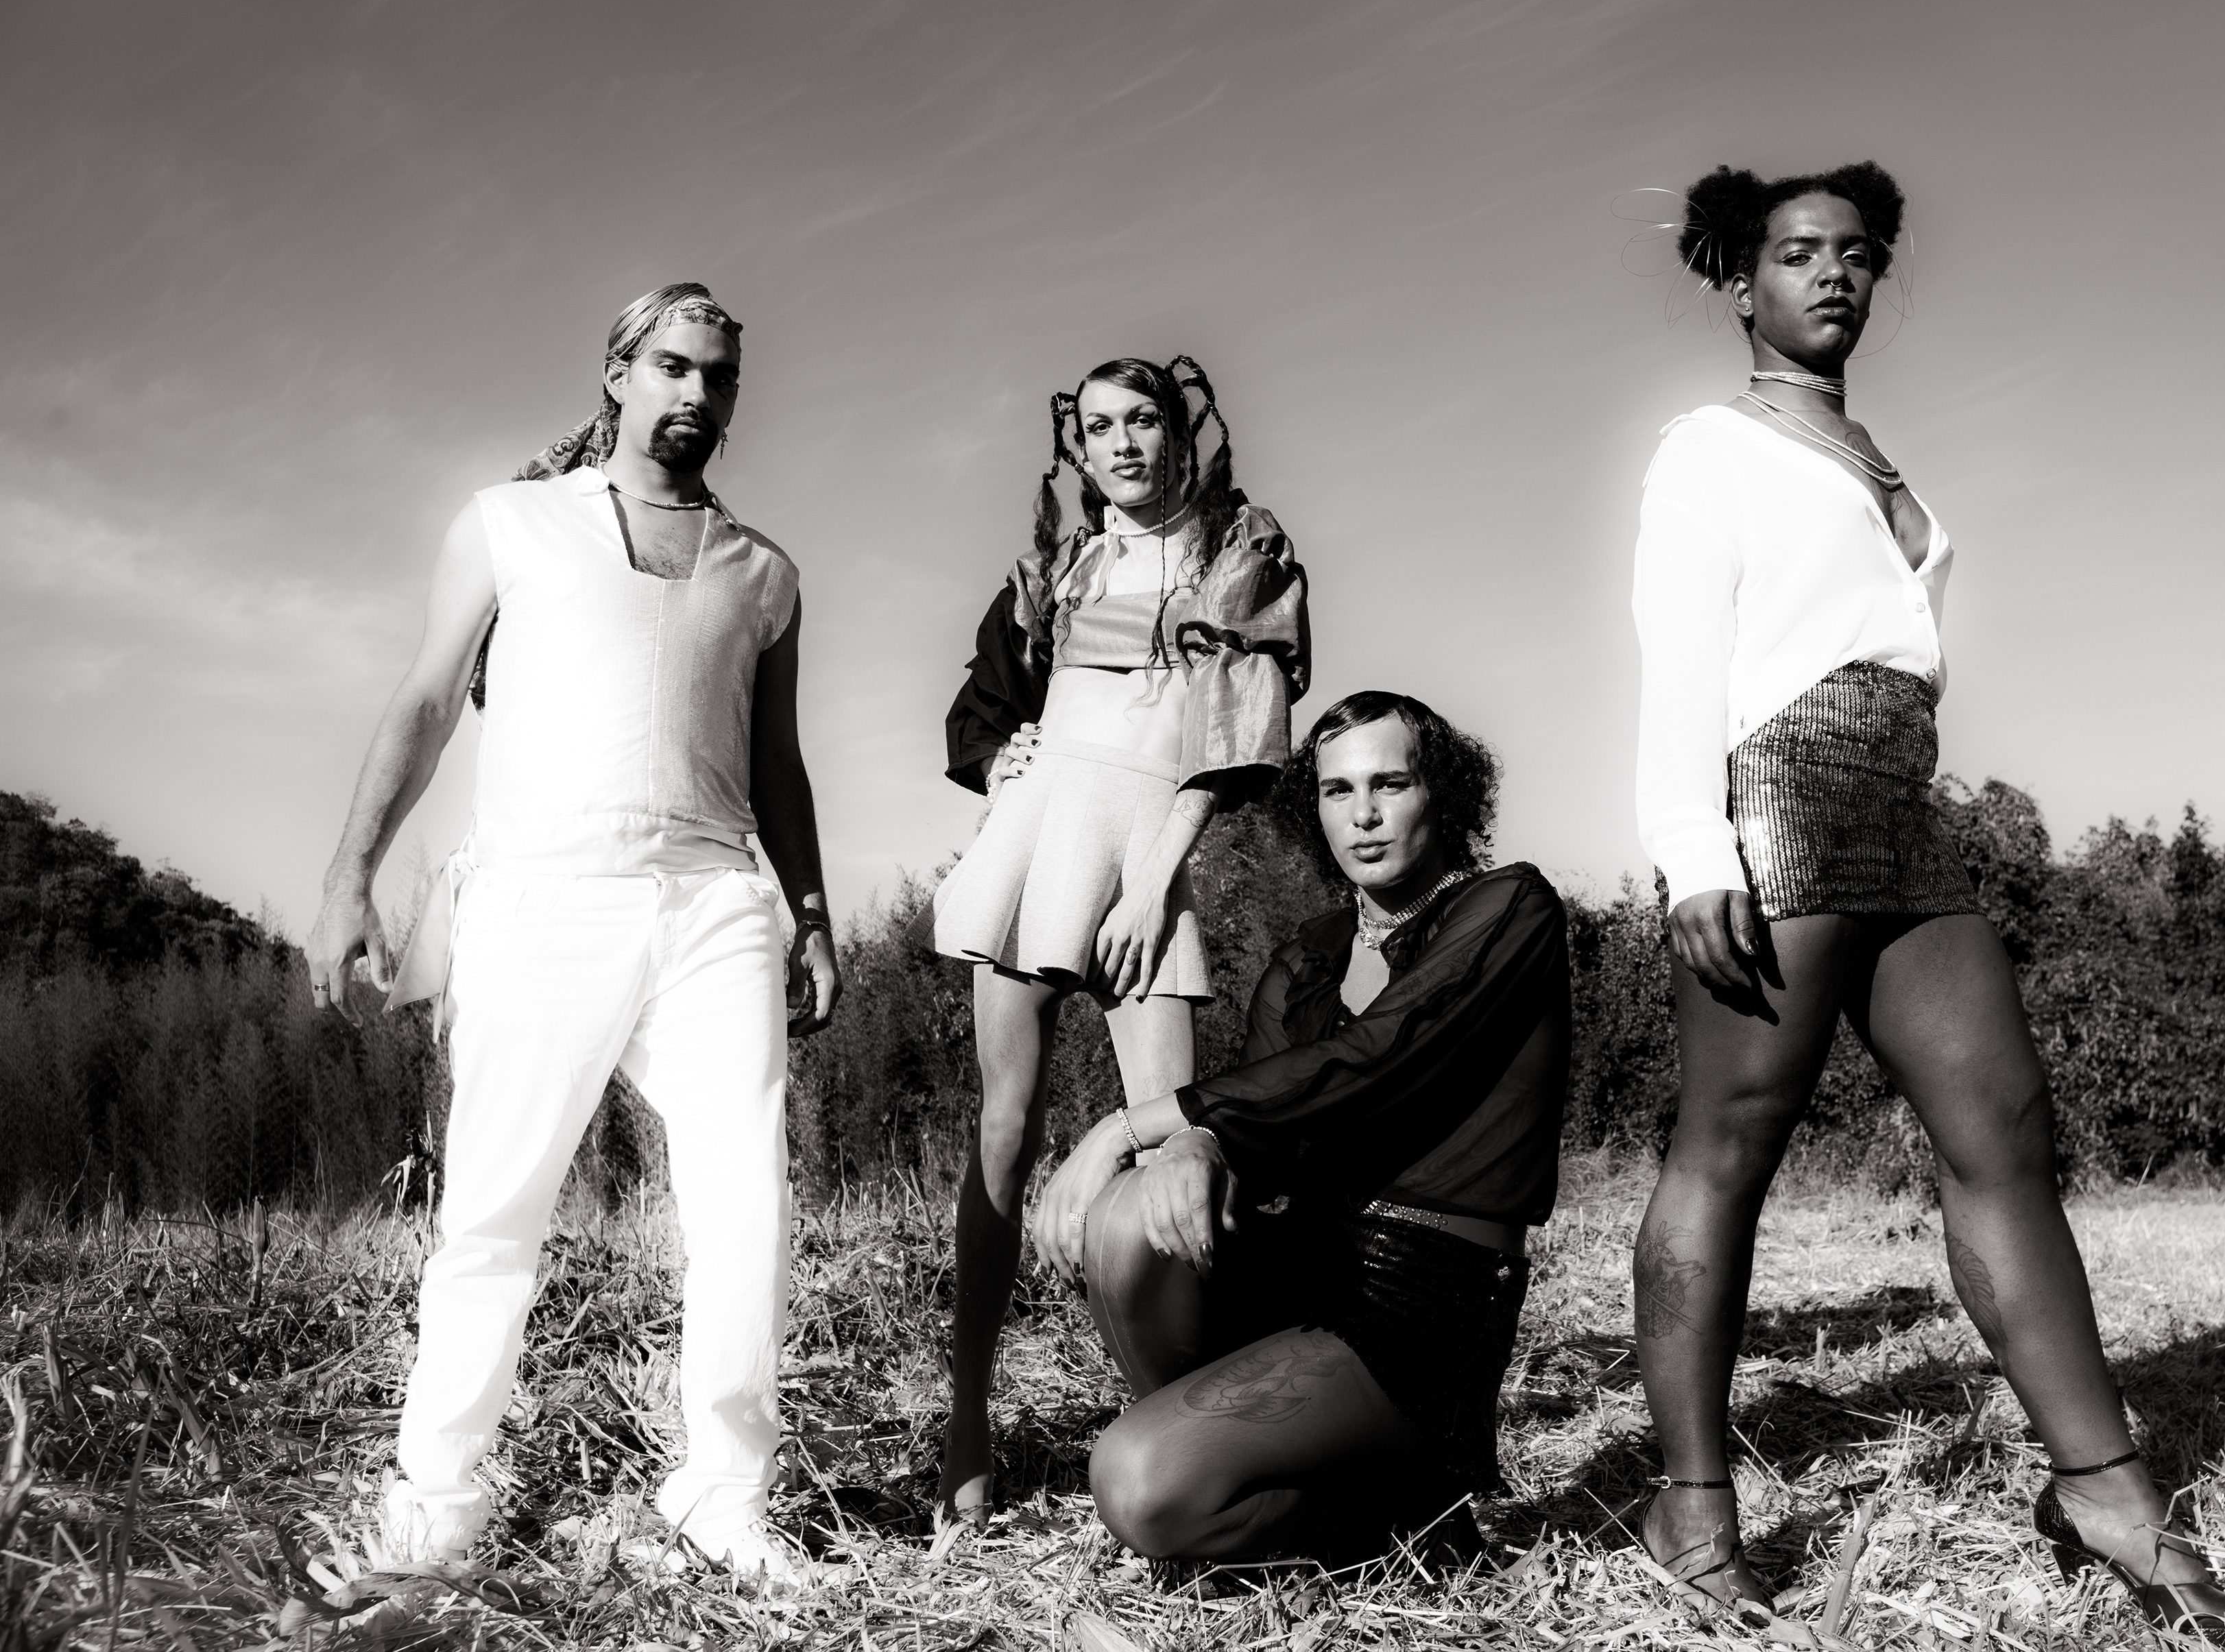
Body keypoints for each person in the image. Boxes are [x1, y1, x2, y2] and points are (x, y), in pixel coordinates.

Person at [1626, 165, 2225, 1641]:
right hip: (1777, 798)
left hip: (1906, 805)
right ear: (1741, 284)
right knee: (1728, 1148)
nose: (1833, 273)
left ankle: (2101, 1487)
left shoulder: (1874, 454)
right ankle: (1691, 1509)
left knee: (2005, 1130)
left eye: (1854, 252)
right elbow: (1677, 653)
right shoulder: (1709, 445)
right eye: (1797, 253)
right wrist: (1694, 849)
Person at [305, 282, 839, 1578]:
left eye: (718, 376)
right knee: (497, 1203)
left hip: (714, 901)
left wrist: (812, 913)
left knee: (747, 1205)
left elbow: (778, 762)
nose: (697, 393)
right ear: (618, 373)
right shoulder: (512, 522)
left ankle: (724, 1497)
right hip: (543, 891)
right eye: (673, 366)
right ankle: (435, 1503)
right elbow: (428, 701)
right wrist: (349, 877)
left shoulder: (765, 572)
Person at [1027, 692, 1569, 1564]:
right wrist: (1194, 1145)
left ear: (1443, 792)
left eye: (1390, 783)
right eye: (1336, 790)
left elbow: (1376, 1056)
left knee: (1136, 1484)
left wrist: (1128, 1127)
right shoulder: (1310, 954)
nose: (1362, 814)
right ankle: (1268, 1480)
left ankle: (1419, 1516)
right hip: (1308, 1261)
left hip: (1428, 1291)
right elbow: (1265, 1129)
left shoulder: (1510, 908)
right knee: (1129, 1216)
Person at [933, 356, 1311, 1523]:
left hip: (1149, 852)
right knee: (1003, 1134)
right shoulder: (1059, 568)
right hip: (1035, 845)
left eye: (1142, 419)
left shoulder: (1239, 553)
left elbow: (1235, 739)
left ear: (1181, 431)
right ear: (1080, 448)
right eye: (1099, 428)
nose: (1123, 444)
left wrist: (1153, 885)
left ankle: (1183, 1424)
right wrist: (999, 758)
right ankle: (966, 1427)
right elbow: (983, 711)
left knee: (1176, 1149)